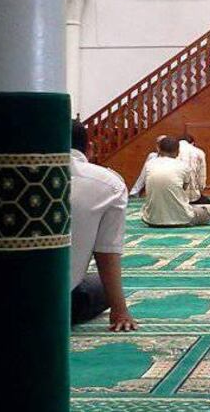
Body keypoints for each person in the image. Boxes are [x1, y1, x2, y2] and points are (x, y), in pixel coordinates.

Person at [69, 121, 137, 331]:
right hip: (56, 305)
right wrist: (120, 310)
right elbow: (106, 251)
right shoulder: (108, 183)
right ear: (89, 148)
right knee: (98, 284)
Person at [141, 137, 210, 227]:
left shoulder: (149, 164)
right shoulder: (183, 166)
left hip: (151, 219)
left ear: (158, 149)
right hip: (182, 218)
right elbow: (184, 189)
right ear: (178, 151)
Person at [178, 133, 210, 204]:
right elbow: (202, 177)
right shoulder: (199, 152)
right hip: (192, 196)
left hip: (172, 196)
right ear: (193, 143)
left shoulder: (170, 151)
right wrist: (200, 189)